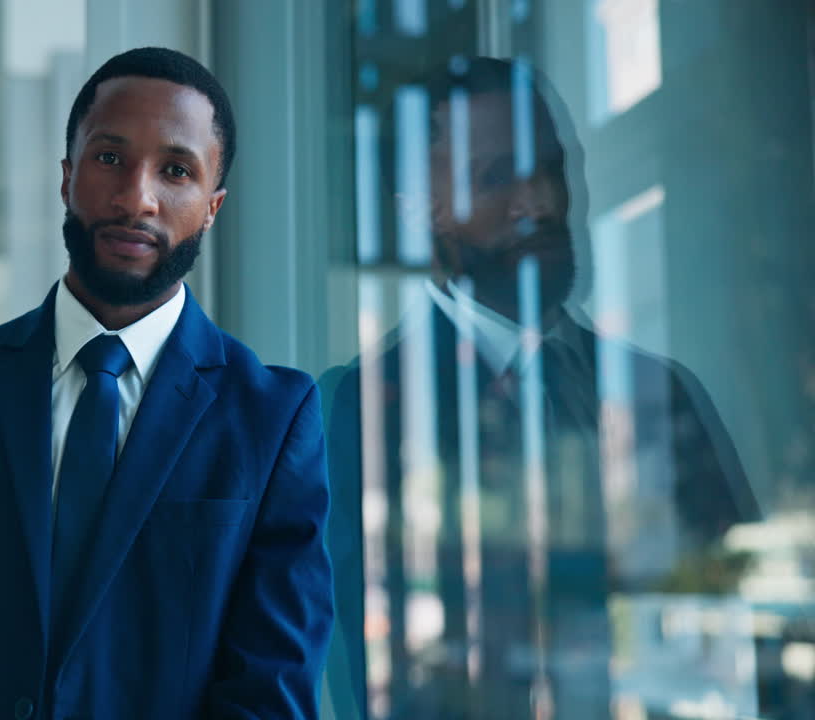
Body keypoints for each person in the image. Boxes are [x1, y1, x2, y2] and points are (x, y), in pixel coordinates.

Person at [0, 47, 333, 719]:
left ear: (212, 206)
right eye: (109, 157)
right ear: (66, 176)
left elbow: (272, 694)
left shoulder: (272, 417)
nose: (136, 196)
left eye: (175, 170)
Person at [320, 57, 758, 720]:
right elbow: (373, 680)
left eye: (551, 166)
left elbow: (741, 629)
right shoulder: (360, 412)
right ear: (419, 211)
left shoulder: (661, 392)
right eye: (498, 177)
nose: (544, 202)